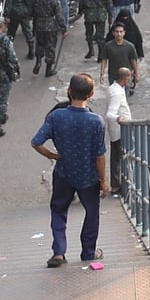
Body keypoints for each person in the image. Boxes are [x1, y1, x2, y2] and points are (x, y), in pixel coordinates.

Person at [32, 73, 109, 268]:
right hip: (89, 176)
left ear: (69, 92)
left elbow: (36, 142)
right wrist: (103, 180)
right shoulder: (96, 121)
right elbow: (100, 155)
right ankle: (88, 252)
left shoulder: (57, 116)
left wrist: (52, 155)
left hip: (63, 173)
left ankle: (59, 252)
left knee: (58, 210)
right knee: (92, 213)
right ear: (91, 94)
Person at [104, 67, 133, 193]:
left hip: (116, 130)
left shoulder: (114, 88)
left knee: (116, 157)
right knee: (123, 156)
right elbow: (110, 114)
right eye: (129, 78)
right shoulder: (116, 93)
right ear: (125, 79)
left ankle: (116, 184)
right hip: (120, 130)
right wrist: (118, 118)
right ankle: (123, 183)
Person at [31, 0, 64, 76]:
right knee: (50, 47)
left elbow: (30, 10)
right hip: (50, 26)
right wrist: (63, 27)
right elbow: (59, 15)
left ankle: (38, 62)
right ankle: (48, 70)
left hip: (38, 24)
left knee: (39, 44)